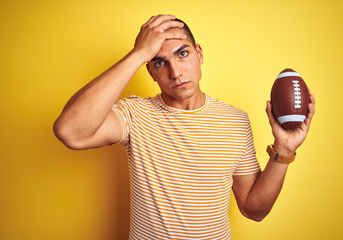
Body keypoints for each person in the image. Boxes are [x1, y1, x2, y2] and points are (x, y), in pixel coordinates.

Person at [53, 14, 315, 240]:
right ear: (150, 72)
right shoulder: (134, 114)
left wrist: (283, 150)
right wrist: (138, 54)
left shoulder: (236, 120)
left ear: (199, 54)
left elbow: (253, 209)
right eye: (159, 62)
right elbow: (71, 131)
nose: (175, 72)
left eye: (182, 53)